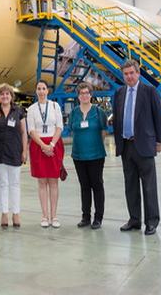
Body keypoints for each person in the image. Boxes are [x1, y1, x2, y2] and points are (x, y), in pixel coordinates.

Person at [113, 59, 161, 236]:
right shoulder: (119, 93)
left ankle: (151, 222)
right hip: (126, 146)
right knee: (130, 185)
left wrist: (159, 141)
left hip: (144, 145)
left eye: (131, 73)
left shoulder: (149, 92)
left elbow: (158, 117)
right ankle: (134, 220)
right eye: (125, 74)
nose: (129, 77)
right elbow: (117, 121)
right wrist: (118, 144)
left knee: (149, 186)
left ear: (138, 73)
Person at [0, 83, 27, 228]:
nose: (5, 96)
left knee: (14, 184)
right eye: (2, 94)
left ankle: (16, 213)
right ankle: (4, 213)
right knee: (2, 183)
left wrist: (24, 151)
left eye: (7, 93)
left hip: (15, 151)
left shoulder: (19, 111)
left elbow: (23, 133)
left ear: (11, 96)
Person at [68, 82, 107, 230]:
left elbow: (103, 131)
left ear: (91, 95)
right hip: (78, 155)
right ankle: (85, 217)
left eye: (87, 93)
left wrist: (95, 144)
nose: (84, 95)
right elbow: (72, 130)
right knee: (84, 186)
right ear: (78, 96)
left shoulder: (98, 112)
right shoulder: (74, 113)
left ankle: (98, 218)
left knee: (97, 185)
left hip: (96, 155)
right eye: (81, 93)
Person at [26, 80, 64, 228]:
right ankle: (44, 216)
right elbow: (31, 130)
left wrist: (52, 144)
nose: (41, 91)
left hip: (53, 144)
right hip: (38, 145)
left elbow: (59, 126)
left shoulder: (55, 106)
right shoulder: (31, 109)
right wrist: (43, 145)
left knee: (54, 181)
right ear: (36, 91)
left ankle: (54, 216)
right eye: (39, 89)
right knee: (42, 182)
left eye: (43, 88)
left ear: (47, 91)